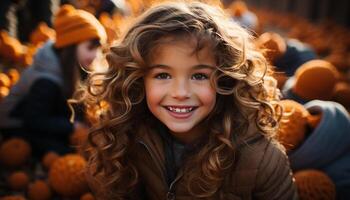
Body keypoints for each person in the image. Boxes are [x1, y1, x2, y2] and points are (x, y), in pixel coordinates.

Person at [82, 2, 298, 199]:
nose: (180, 92)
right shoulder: (120, 141)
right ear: (139, 81)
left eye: (199, 76)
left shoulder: (261, 161)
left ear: (225, 80)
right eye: (163, 75)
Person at [0, 4, 107, 156]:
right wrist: (72, 127)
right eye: (90, 48)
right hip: (15, 124)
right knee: (63, 150)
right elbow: (34, 120)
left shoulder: (73, 65)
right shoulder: (46, 79)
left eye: (98, 49)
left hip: (41, 114)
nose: (96, 55)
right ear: (71, 47)